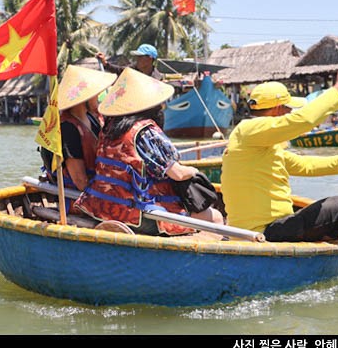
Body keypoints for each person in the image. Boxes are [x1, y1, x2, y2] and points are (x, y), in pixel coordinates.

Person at [220, 68, 338, 242]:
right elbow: (304, 120)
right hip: (263, 232)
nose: (290, 112)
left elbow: (305, 165)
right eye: (288, 109)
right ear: (278, 109)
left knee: (334, 209)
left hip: (268, 228)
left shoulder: (257, 143)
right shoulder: (249, 130)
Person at [73, 67, 224, 238]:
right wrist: (194, 171)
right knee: (216, 218)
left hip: (100, 206)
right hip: (135, 214)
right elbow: (178, 174)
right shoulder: (145, 132)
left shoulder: (109, 128)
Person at [40, 65, 117, 192]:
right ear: (83, 98)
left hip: (97, 185)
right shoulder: (68, 129)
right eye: (95, 93)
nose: (98, 96)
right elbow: (79, 180)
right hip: (76, 195)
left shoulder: (93, 120)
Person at [96, 43, 164, 80]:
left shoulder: (156, 78)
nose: (137, 59)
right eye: (137, 56)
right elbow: (119, 70)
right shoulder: (133, 69)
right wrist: (105, 63)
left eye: (140, 56)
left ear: (149, 59)